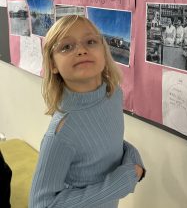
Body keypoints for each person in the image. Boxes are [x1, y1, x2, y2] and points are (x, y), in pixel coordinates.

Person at [29, 15, 145, 208]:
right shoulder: (61, 132)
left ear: (103, 50)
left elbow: (107, 143)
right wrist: (119, 184)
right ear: (53, 65)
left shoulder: (114, 94)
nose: (82, 50)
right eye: (66, 46)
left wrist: (134, 159)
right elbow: (41, 204)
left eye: (90, 42)